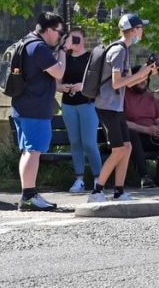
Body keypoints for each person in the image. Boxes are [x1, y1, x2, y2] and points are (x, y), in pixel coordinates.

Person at [87, 13, 156, 203]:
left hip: (115, 107)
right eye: (141, 28)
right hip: (107, 107)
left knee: (127, 147)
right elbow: (118, 83)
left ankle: (119, 191)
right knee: (118, 149)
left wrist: (146, 72)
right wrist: (141, 73)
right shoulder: (119, 51)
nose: (142, 32)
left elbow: (127, 82)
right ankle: (96, 191)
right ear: (133, 30)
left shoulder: (124, 50)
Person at [11, 12, 67, 211]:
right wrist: (63, 51)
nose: (60, 36)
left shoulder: (26, 42)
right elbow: (59, 72)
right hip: (35, 109)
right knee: (33, 152)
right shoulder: (39, 47)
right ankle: (28, 197)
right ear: (50, 30)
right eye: (59, 32)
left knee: (28, 151)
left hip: (22, 106)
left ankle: (29, 194)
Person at [57, 27, 102, 193]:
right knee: (75, 143)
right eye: (71, 39)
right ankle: (79, 179)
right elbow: (57, 83)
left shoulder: (91, 57)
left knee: (89, 143)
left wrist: (83, 86)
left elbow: (98, 83)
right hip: (68, 104)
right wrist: (64, 87)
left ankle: (99, 179)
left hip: (87, 104)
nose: (74, 42)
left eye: (77, 39)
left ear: (84, 39)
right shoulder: (64, 56)